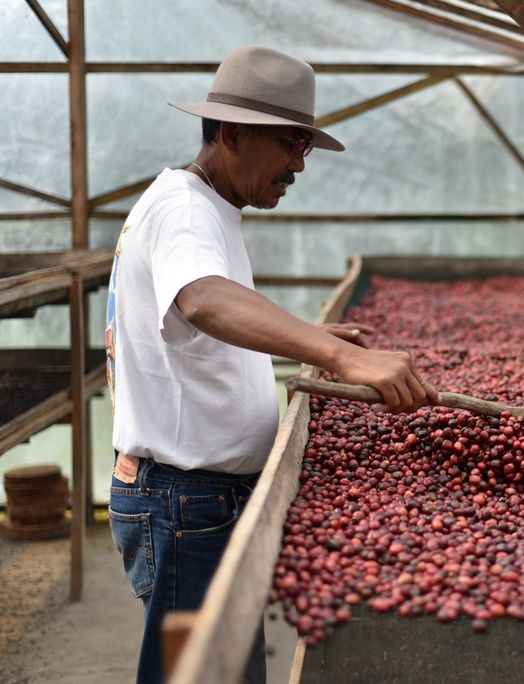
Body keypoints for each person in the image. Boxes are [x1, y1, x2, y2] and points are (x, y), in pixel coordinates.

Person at [104, 45, 437, 683]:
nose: (298, 165)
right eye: (290, 145)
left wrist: (304, 334)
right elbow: (202, 300)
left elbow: (190, 325)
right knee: (193, 673)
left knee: (223, 668)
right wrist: (336, 355)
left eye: (304, 148)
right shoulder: (185, 210)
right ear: (231, 132)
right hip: (183, 503)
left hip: (198, 500)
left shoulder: (207, 207)